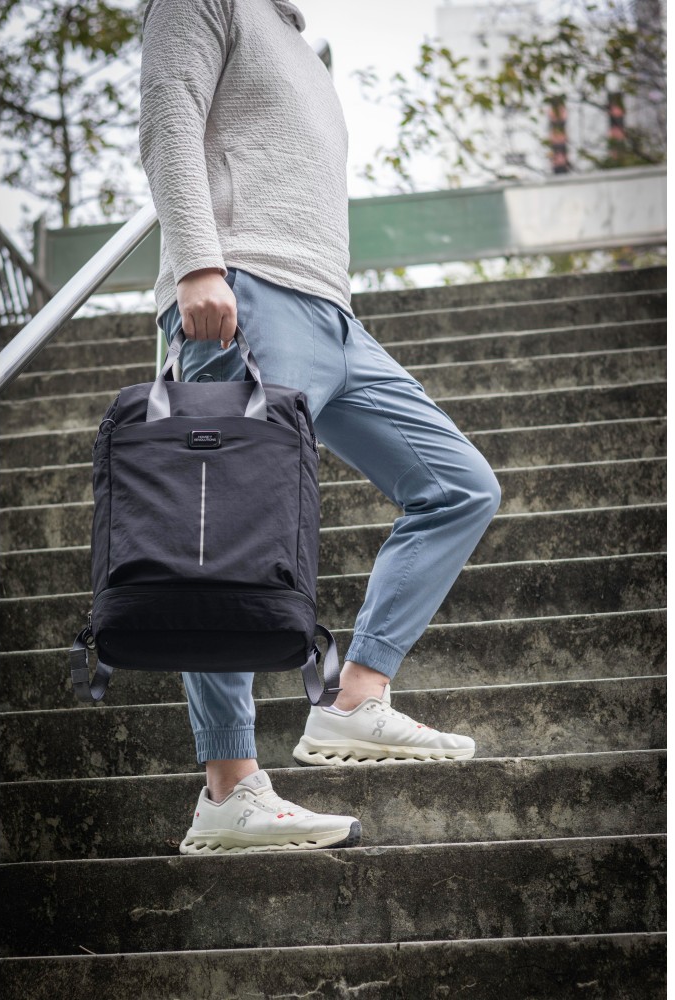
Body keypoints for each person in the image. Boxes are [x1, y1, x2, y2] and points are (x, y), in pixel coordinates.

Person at [139, 0, 501, 855]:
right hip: (246, 292)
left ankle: (355, 696)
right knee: (227, 533)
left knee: (458, 487)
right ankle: (229, 788)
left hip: (335, 315)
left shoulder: (301, 42)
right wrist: (197, 263)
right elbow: (168, 122)